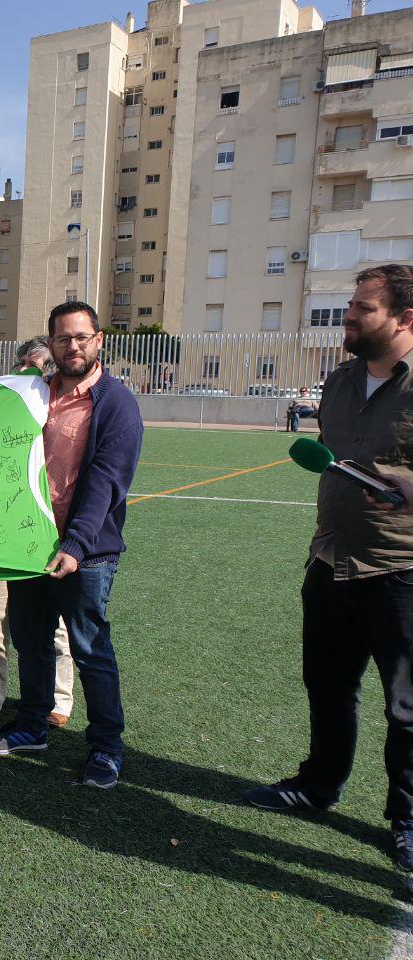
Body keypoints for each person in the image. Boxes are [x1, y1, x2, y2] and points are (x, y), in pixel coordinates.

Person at [246, 265, 413, 871]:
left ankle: (407, 818)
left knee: (407, 705)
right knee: (328, 685)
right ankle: (319, 785)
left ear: (405, 319)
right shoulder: (340, 381)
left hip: (401, 571)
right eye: (349, 306)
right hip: (330, 560)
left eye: (363, 309)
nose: (348, 318)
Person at [0, 301, 143, 790]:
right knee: (30, 641)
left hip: (85, 552)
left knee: (91, 649)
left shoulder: (116, 402)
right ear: (50, 344)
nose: (73, 346)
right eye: (63, 338)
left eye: (82, 337)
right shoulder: (29, 395)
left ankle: (107, 747)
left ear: (99, 342)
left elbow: (108, 480)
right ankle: (31, 726)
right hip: (27, 545)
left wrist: (75, 544)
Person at [0, 336, 76, 727]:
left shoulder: (64, 408)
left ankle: (58, 701)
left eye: (38, 365)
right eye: (23, 364)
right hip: (2, 529)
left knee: (56, 622)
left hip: (48, 533)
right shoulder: (4, 403)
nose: (28, 371)